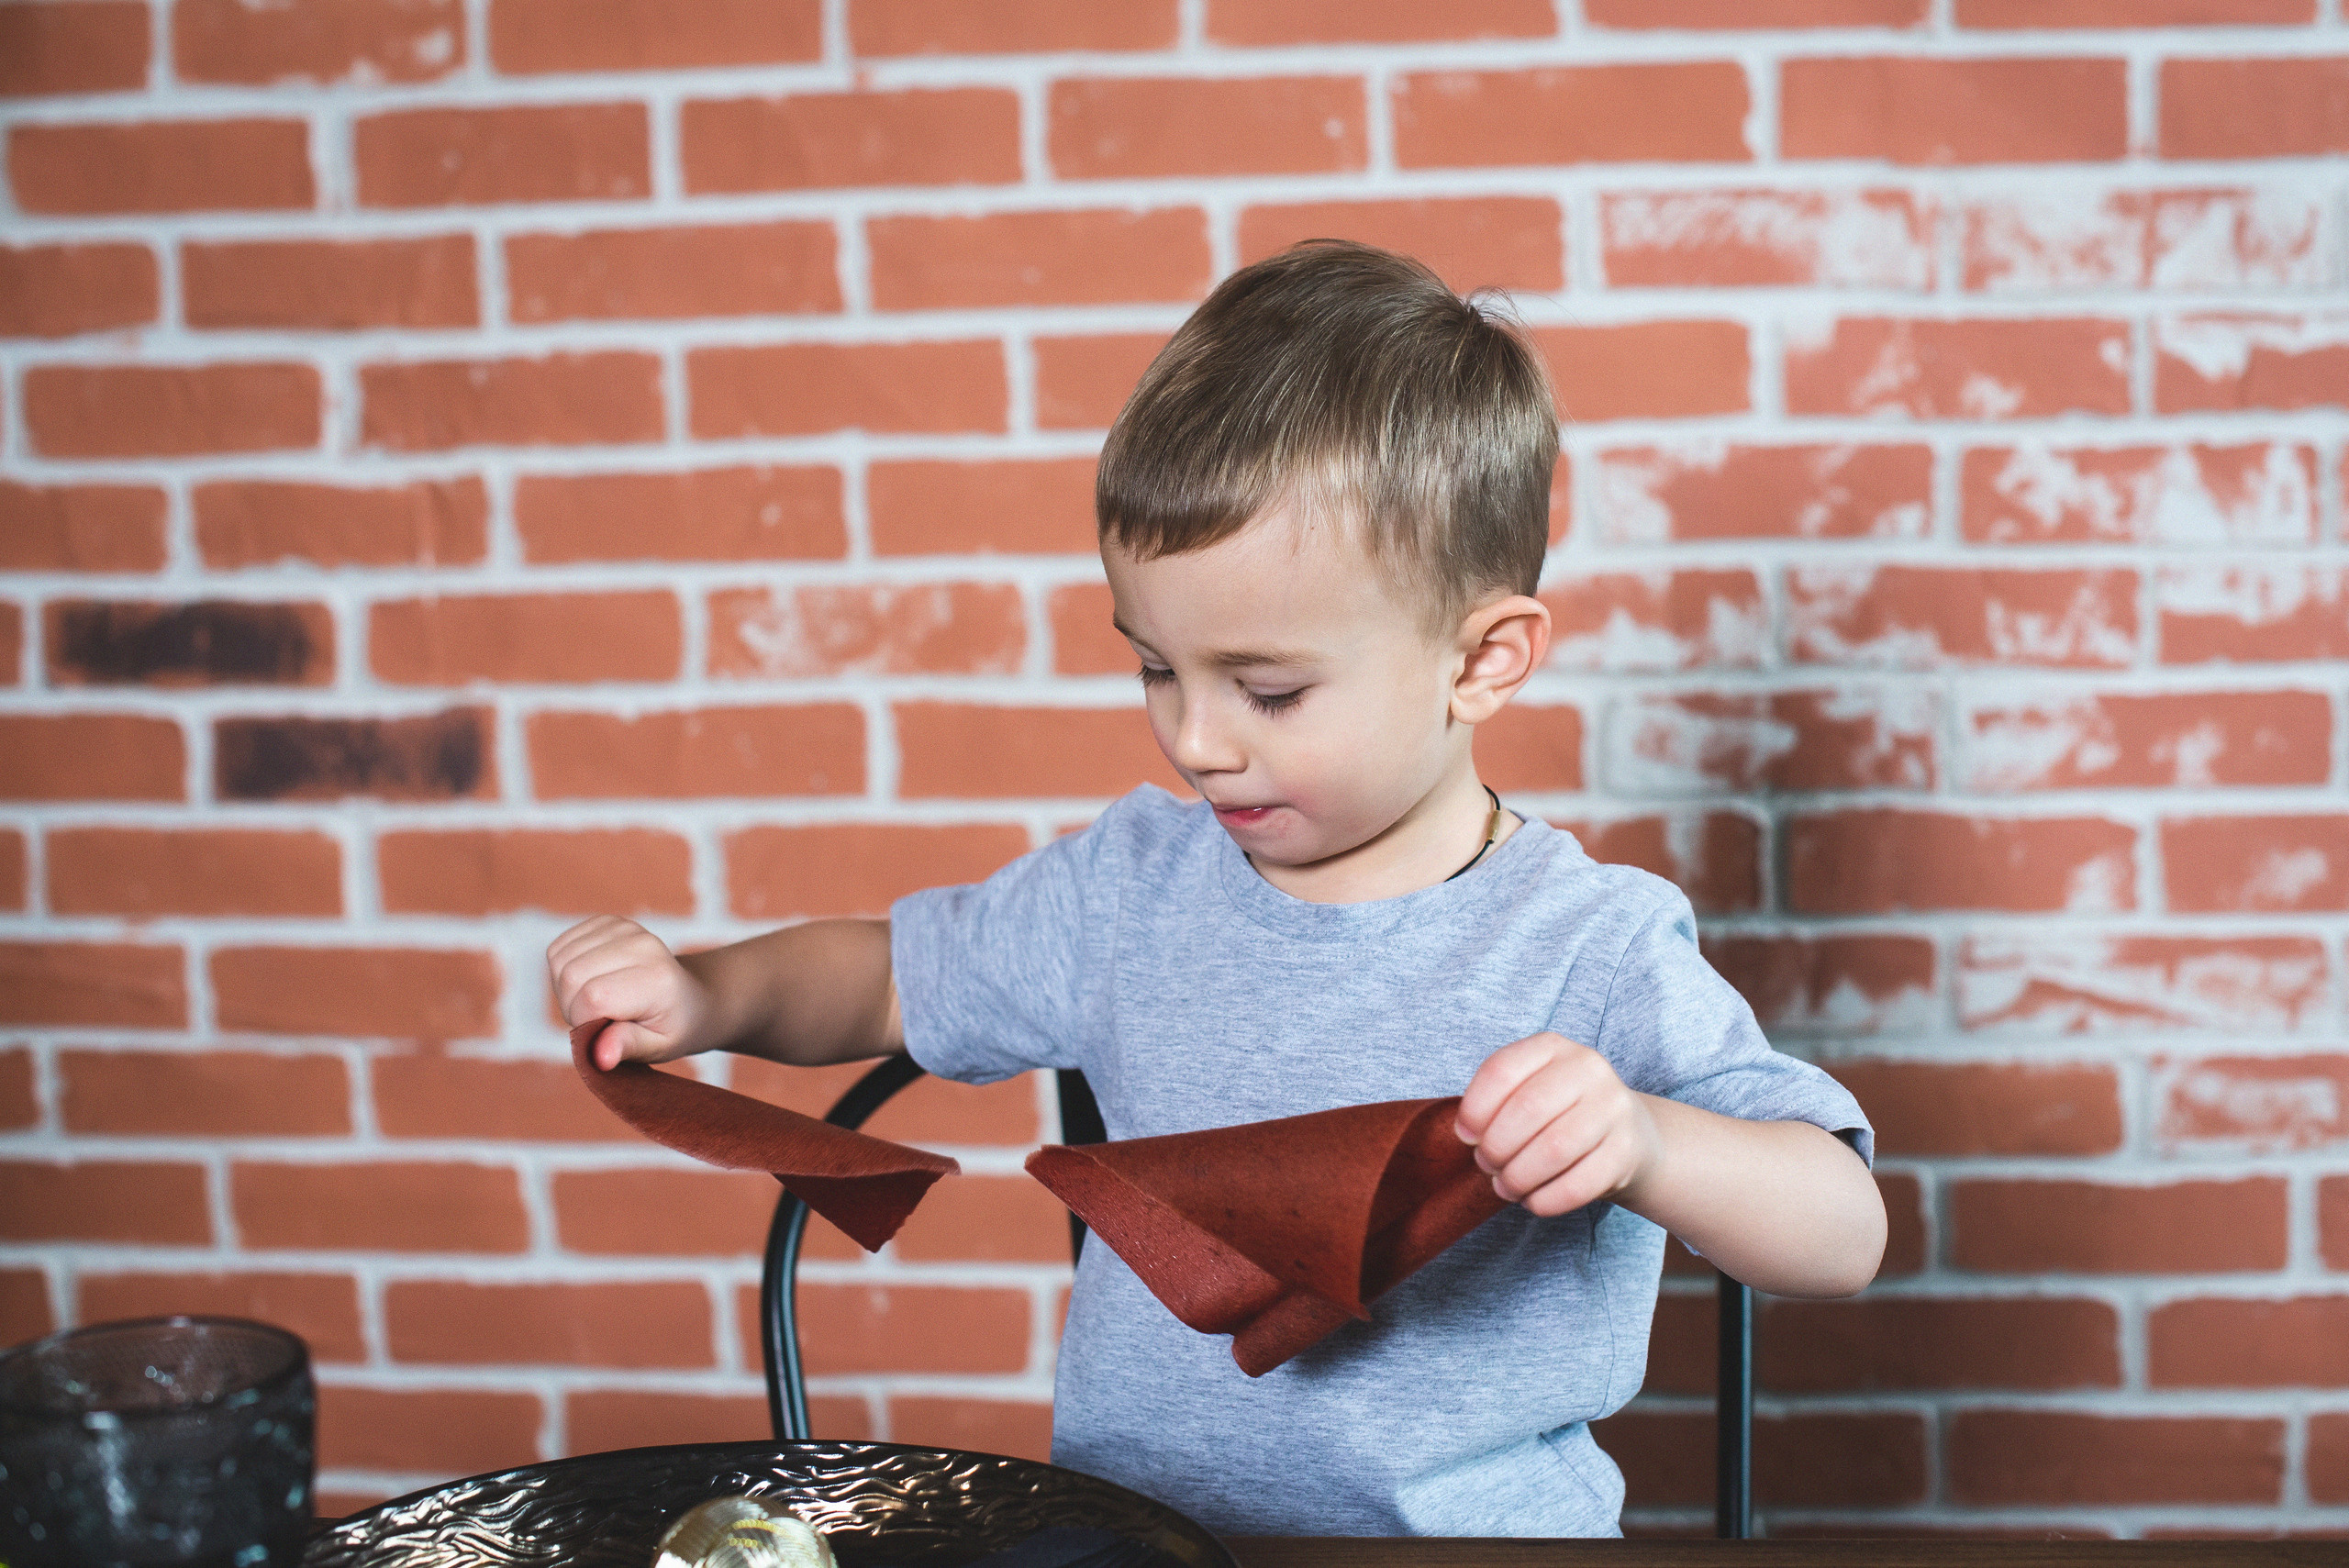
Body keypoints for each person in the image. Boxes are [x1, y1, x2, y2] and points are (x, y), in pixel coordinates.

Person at [548, 240, 1885, 1538]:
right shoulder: (1131, 885)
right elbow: (894, 976)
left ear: (1482, 663)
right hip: (1134, 1537)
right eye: (1154, 668)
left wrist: (1649, 1142)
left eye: (1269, 689)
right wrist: (704, 989)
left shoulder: (1589, 942)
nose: (1196, 739)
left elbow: (1842, 1227)